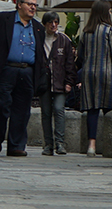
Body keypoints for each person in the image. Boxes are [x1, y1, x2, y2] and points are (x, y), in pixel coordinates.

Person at [0, 0, 45, 157]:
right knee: (0, 106)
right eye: (29, 4)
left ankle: (16, 145)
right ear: (19, 4)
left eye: (35, 5)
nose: (33, 7)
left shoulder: (38, 28)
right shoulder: (2, 20)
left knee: (22, 110)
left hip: (27, 71)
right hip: (5, 69)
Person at [77, 0, 112, 157]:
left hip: (88, 73)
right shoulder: (110, 30)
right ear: (105, 12)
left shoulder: (86, 31)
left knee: (92, 108)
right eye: (110, 11)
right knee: (111, 106)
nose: (111, 13)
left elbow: (80, 55)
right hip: (106, 72)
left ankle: (91, 145)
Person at [40, 12, 77, 156]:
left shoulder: (64, 40)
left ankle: (60, 143)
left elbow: (70, 63)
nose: (53, 25)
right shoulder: (40, 39)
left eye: (55, 22)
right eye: (50, 22)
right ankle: (48, 144)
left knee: (59, 109)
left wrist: (69, 82)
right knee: (46, 113)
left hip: (60, 83)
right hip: (44, 83)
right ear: (45, 24)